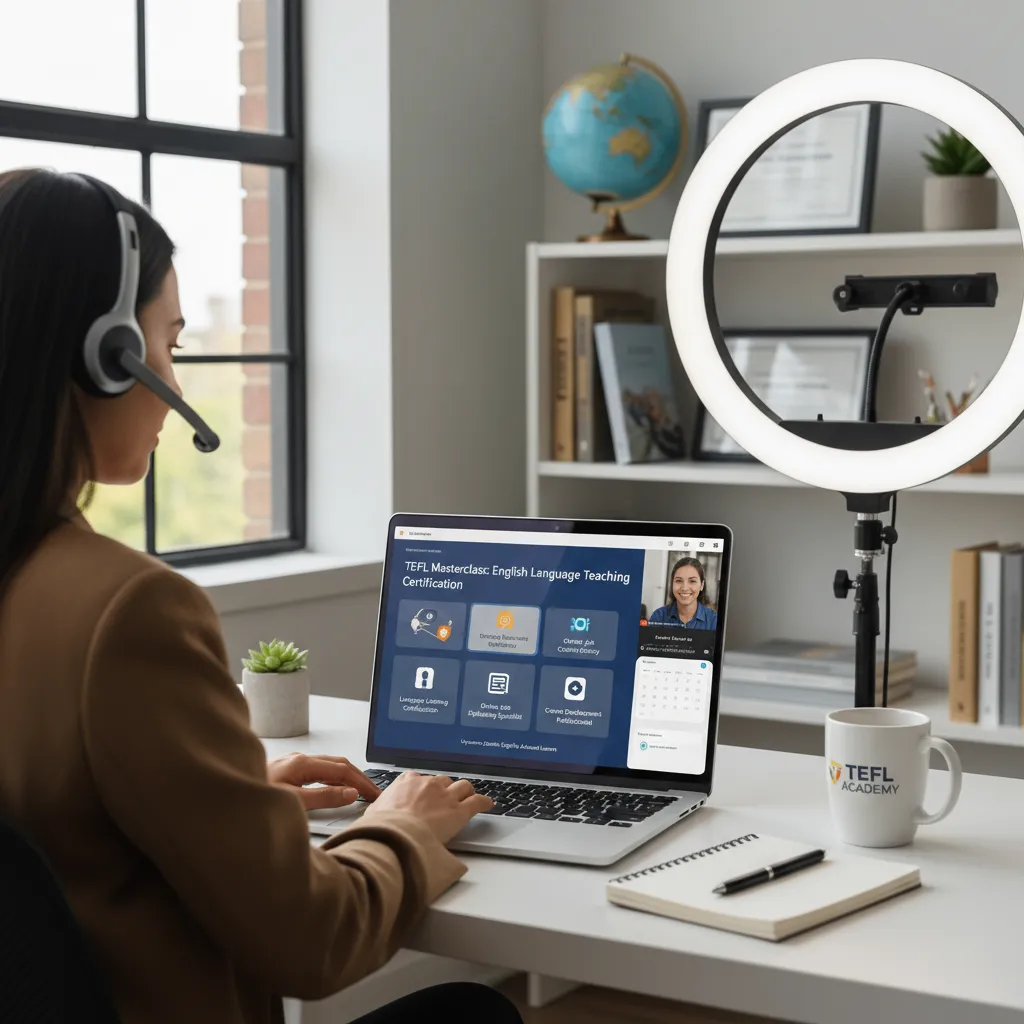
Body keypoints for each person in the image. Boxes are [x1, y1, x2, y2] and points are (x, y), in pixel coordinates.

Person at [0, 168, 522, 1024]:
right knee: (473, 1014)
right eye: (164, 341)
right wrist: (404, 827)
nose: (172, 371)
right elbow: (312, 941)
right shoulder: (126, 612)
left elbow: (62, 837)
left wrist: (235, 805)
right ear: (105, 358)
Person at [648, 556, 718, 630]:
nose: (684, 588)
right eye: (679, 581)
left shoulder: (713, 620)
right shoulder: (659, 616)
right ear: (672, 584)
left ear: (702, 585)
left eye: (692, 581)